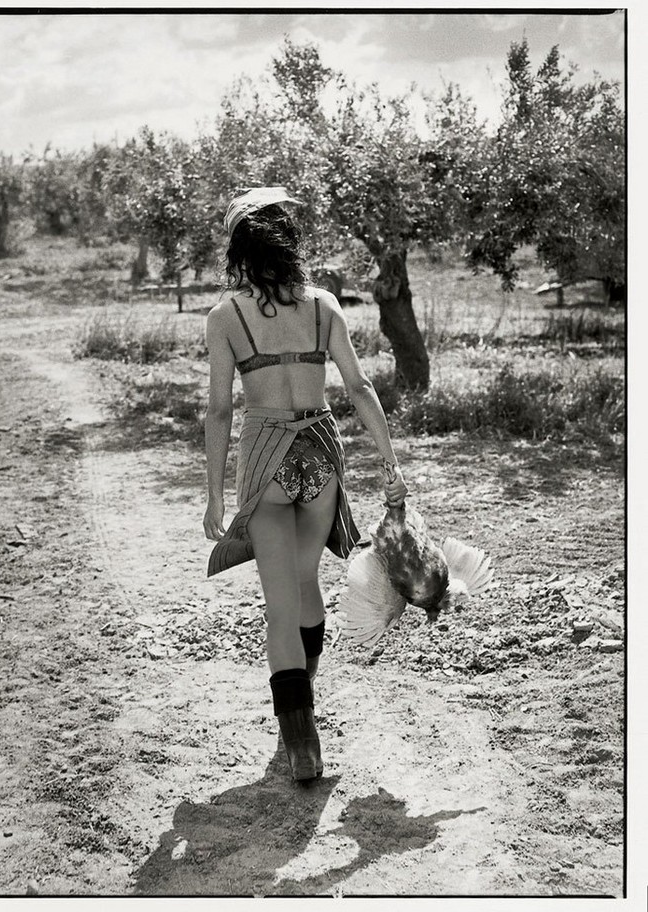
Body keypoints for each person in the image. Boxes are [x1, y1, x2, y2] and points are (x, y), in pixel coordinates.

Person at [203, 187, 408, 782]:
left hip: (266, 456)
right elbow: (360, 387)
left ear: (239, 249)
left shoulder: (226, 316)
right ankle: (305, 696)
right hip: (320, 452)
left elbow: (220, 410)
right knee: (305, 581)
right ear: (287, 241)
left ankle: (301, 742)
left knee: (280, 606)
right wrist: (390, 462)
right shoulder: (324, 305)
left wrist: (214, 494)